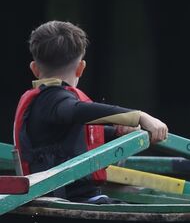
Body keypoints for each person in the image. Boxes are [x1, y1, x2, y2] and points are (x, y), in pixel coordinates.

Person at [13, 20, 168, 204]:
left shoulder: (46, 104)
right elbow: (74, 111)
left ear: (34, 69)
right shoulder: (53, 100)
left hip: (76, 196)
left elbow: (77, 139)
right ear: (81, 68)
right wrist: (139, 117)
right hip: (68, 198)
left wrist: (118, 132)